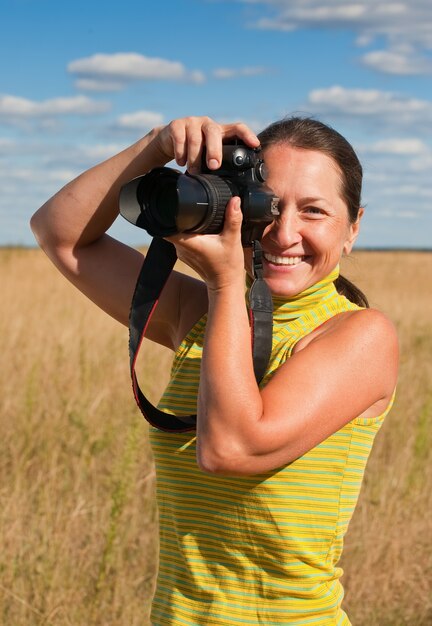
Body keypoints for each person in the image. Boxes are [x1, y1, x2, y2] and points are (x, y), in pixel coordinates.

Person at [31, 115, 398, 625]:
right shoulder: (203, 313)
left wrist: (227, 284)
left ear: (353, 228)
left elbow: (230, 449)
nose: (283, 233)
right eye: (264, 204)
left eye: (313, 211)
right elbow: (60, 234)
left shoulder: (359, 335)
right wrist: (157, 146)